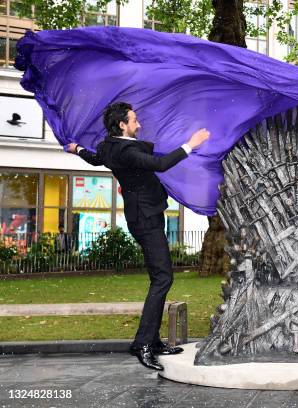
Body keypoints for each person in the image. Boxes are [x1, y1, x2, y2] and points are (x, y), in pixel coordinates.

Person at [67, 102, 210, 371]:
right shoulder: (126, 150)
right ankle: (143, 344)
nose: (139, 124)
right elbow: (160, 163)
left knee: (160, 277)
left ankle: (152, 340)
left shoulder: (109, 146)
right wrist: (192, 143)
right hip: (145, 218)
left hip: (144, 214)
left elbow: (95, 158)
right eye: (134, 120)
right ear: (122, 124)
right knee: (162, 277)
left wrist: (77, 149)